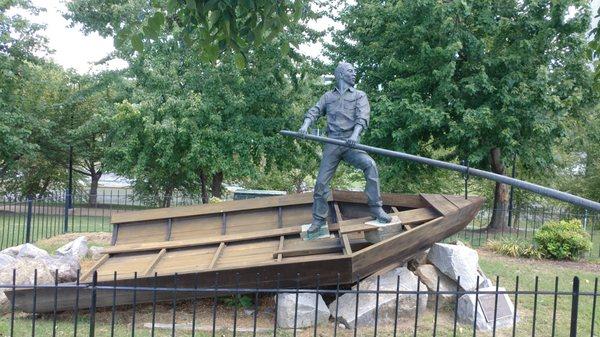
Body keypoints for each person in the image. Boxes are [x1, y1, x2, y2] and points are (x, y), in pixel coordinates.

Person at [299, 62, 392, 235]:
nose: (354, 74)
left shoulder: (359, 95)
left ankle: (376, 208)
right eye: (351, 71)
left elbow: (362, 117)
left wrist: (354, 136)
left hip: (351, 143)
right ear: (341, 74)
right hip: (333, 143)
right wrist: (305, 125)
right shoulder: (328, 96)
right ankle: (318, 220)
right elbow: (315, 111)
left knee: (370, 165)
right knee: (320, 183)